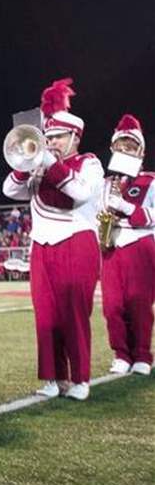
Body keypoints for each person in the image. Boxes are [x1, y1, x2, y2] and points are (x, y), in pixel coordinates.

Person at [3, 78, 103, 400]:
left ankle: (81, 378)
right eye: (47, 137)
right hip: (42, 245)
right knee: (45, 314)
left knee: (73, 313)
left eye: (58, 137)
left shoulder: (88, 163)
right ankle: (52, 377)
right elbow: (9, 190)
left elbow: (79, 194)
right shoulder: (41, 167)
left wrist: (50, 164)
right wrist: (25, 165)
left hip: (76, 241)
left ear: (74, 136)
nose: (51, 143)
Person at [100, 114, 153, 376]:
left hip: (140, 243)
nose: (124, 151)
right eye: (120, 147)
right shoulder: (106, 183)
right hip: (112, 246)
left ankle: (142, 353)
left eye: (130, 147)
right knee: (111, 306)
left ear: (141, 152)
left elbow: (151, 216)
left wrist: (125, 206)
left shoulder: (151, 180)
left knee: (139, 304)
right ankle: (121, 353)